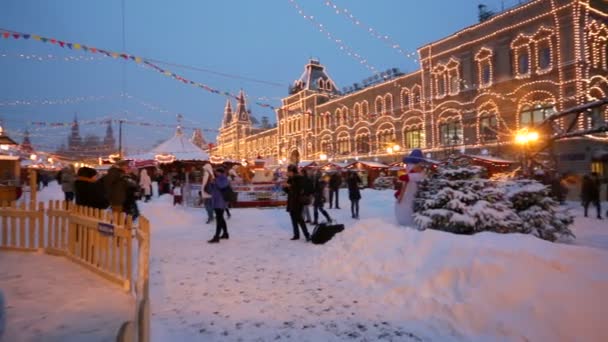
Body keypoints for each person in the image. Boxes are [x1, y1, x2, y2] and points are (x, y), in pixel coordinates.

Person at [395, 149, 427, 227]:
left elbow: (419, 177)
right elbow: (405, 184)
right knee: (404, 205)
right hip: (407, 194)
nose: (408, 166)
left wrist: (409, 177)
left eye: (410, 164)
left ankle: (410, 221)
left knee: (410, 206)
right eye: (408, 164)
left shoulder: (421, 173)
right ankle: (403, 219)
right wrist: (400, 192)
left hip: (414, 194)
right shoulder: (410, 173)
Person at [283, 164, 311, 241]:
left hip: (298, 201)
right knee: (293, 219)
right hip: (291, 201)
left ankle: (307, 235)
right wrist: (285, 187)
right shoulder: (290, 179)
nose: (288, 173)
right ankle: (296, 234)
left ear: (293, 172)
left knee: (300, 219)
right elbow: (288, 191)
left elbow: (299, 189)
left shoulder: (299, 178)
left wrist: (290, 186)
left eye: (289, 171)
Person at [208, 167, 230, 243]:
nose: (215, 173)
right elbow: (211, 190)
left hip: (221, 202)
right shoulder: (217, 179)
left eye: (217, 172)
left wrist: (215, 181)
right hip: (216, 201)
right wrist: (211, 183)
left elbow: (221, 186)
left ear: (220, 172)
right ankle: (225, 234)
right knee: (221, 218)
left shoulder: (224, 179)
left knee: (219, 219)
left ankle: (216, 236)